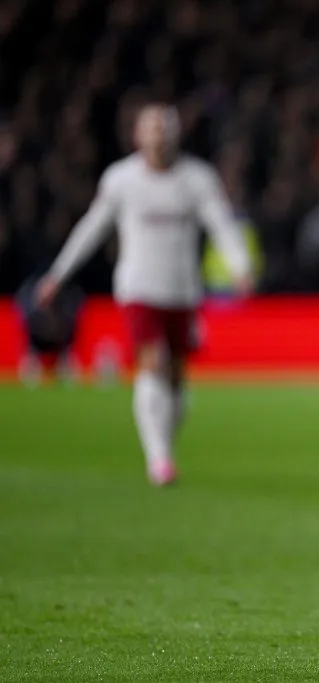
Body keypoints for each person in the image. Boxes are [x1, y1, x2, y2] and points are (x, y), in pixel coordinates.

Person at [36, 103, 253, 486]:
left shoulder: (197, 179)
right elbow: (92, 228)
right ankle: (159, 460)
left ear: (175, 134)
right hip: (138, 287)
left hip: (182, 290)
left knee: (176, 377)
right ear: (138, 135)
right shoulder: (121, 179)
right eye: (151, 128)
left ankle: (164, 446)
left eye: (164, 128)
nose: (158, 136)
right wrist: (58, 274)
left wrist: (239, 265)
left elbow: (220, 222)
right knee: (151, 362)